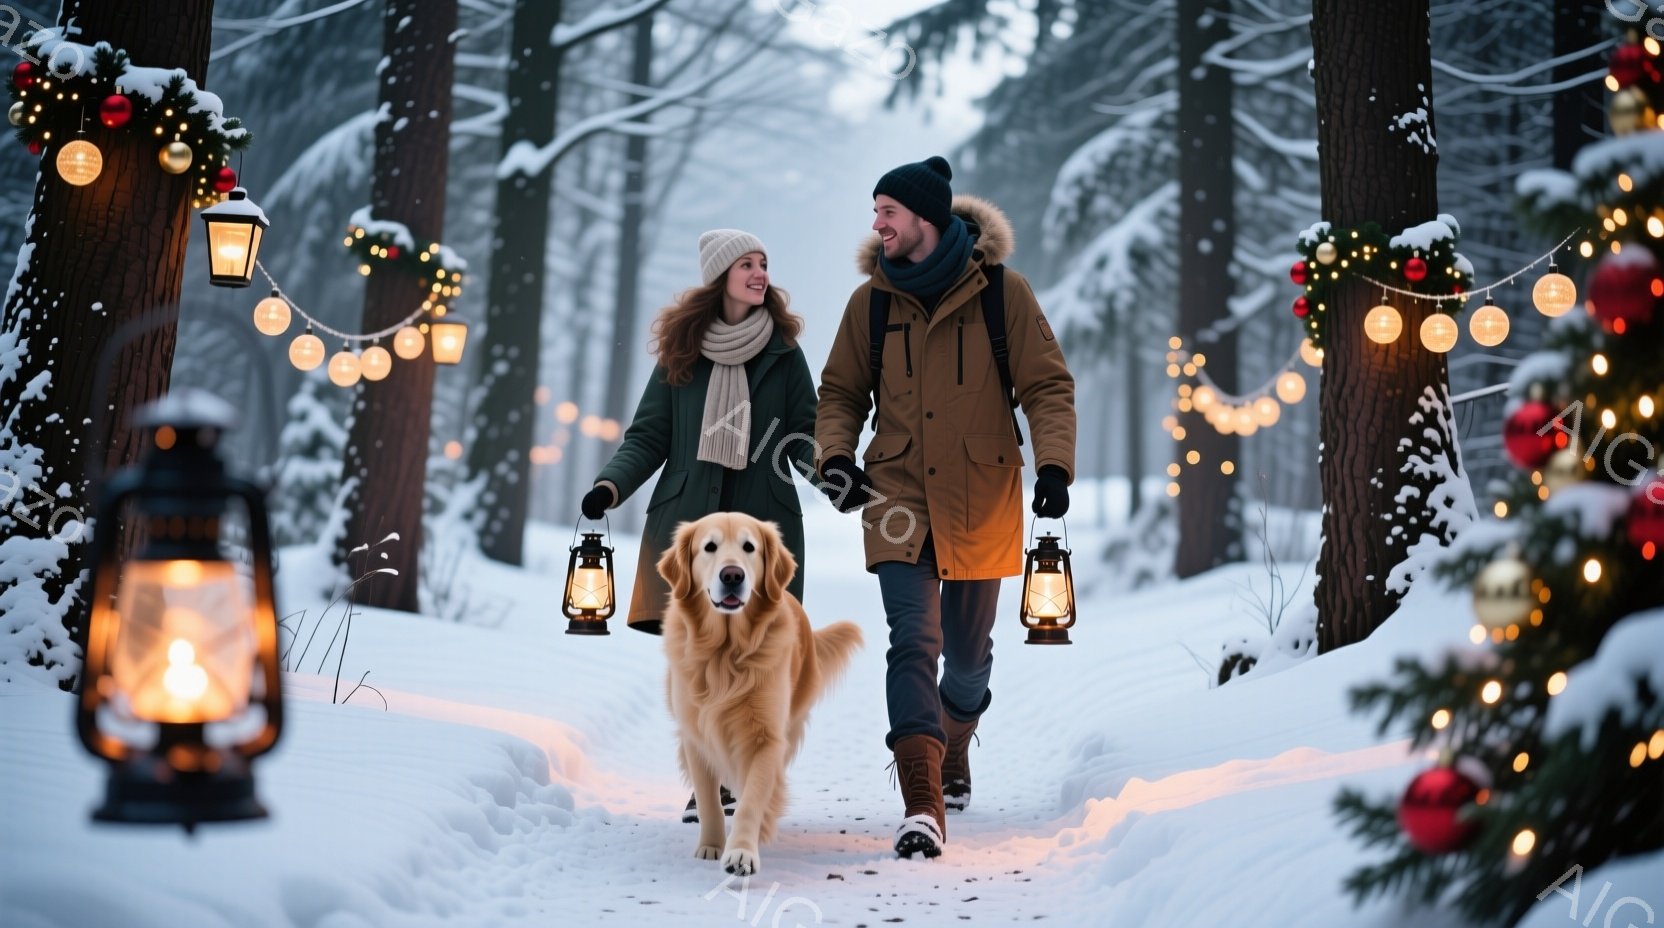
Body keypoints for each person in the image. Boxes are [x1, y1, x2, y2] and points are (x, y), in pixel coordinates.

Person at [813, 156, 1076, 859]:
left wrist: (1055, 464)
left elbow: (1047, 386)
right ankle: (923, 804)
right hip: (895, 498)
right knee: (912, 642)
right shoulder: (870, 303)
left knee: (966, 657)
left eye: (888, 211)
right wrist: (834, 456)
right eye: (876, 211)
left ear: (924, 218)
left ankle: (955, 743)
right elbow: (839, 393)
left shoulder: (1002, 293)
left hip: (980, 499)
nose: (877, 224)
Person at [585, 229, 818, 821]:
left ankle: (742, 775)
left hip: (761, 537)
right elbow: (649, 436)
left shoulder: (783, 353)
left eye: (764, 262)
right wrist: (610, 486)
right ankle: (708, 785)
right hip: (693, 537)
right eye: (747, 264)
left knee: (760, 660)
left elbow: (804, 437)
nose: (760, 273)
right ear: (720, 276)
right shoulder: (682, 352)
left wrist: (842, 481)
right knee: (695, 667)